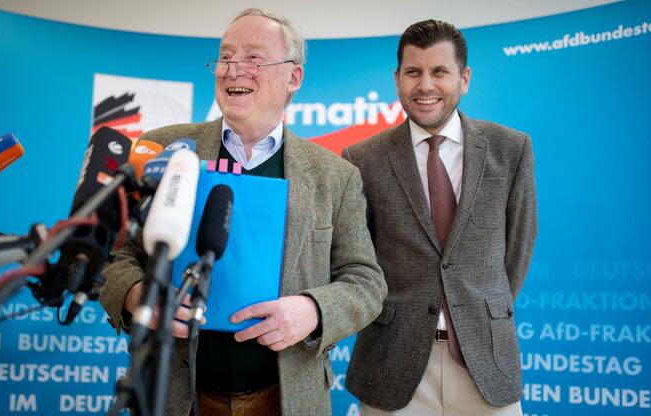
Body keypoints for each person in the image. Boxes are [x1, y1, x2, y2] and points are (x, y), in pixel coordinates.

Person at [99, 8, 386, 416]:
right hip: (176, 395)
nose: (233, 69)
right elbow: (115, 255)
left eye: (254, 58)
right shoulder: (164, 150)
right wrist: (137, 295)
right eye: (226, 56)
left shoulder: (335, 176)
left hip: (286, 398)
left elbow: (366, 281)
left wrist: (313, 311)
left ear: (294, 78)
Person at [343, 19, 537, 415]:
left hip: (485, 361)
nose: (425, 85)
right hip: (392, 364)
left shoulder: (510, 149)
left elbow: (517, 250)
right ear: (397, 79)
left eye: (440, 72)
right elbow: (357, 262)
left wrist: (478, 309)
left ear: (464, 79)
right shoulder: (362, 160)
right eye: (413, 72)